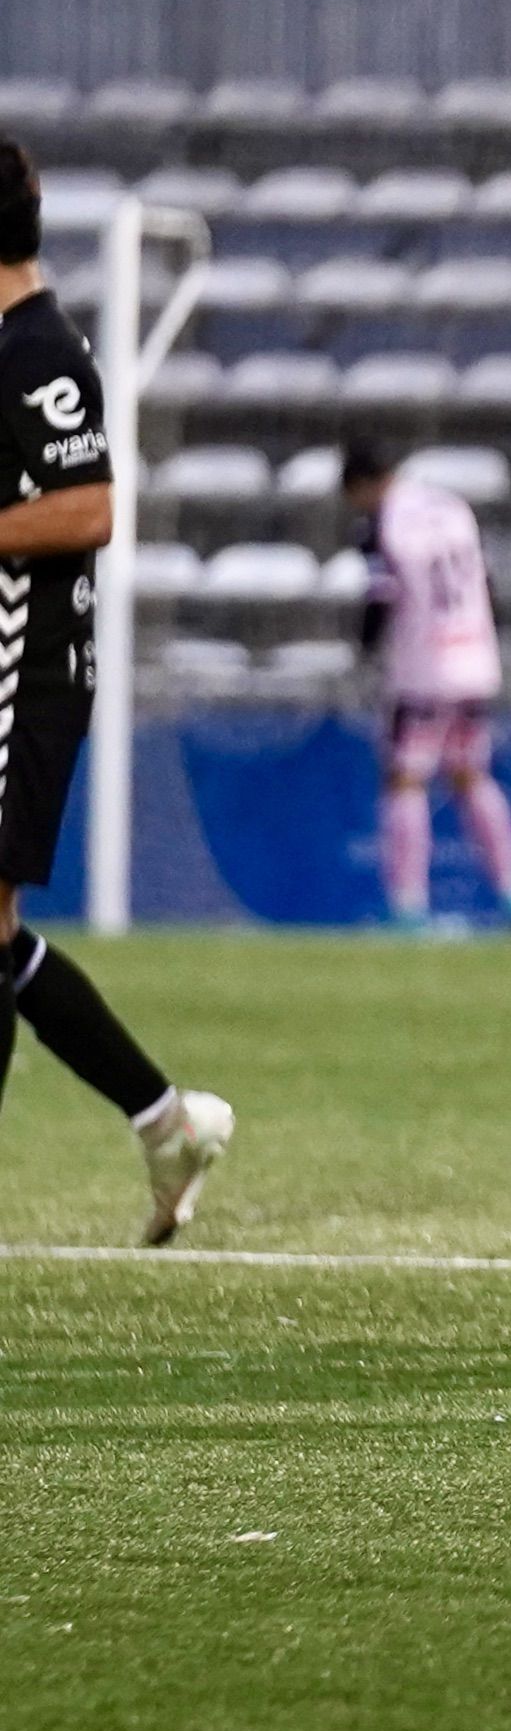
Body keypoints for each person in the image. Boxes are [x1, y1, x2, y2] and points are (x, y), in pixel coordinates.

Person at [0, 137, 235, 1242]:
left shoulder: (38, 353)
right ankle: (163, 1117)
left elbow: (88, 508)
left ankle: (165, 1117)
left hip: (24, 675)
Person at [345, 445, 511, 930]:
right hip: (473, 657)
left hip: (422, 665)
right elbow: (485, 583)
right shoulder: (452, 507)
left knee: (405, 778)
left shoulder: (384, 521)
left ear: (361, 485)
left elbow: (381, 597)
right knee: (472, 775)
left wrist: (365, 657)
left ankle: (408, 906)